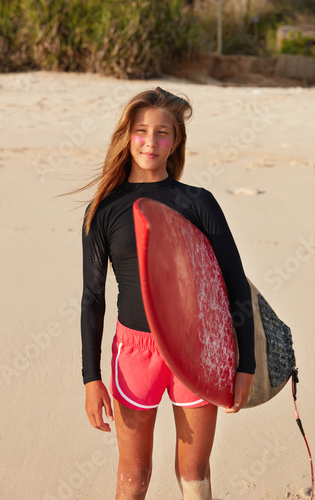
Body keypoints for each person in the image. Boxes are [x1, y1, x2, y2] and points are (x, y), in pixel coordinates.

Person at [80, 87, 255, 500]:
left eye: (162, 133)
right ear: (127, 135)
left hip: (196, 348)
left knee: (194, 471)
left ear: (174, 142)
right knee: (134, 474)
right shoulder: (104, 208)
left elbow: (233, 283)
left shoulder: (197, 202)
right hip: (134, 351)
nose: (150, 141)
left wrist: (244, 363)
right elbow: (92, 297)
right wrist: (91, 378)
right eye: (141, 130)